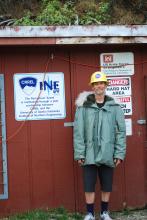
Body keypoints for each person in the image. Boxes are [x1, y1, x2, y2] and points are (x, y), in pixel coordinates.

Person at [73, 71, 126, 220]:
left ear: (106, 85)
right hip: (89, 153)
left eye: (101, 83)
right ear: (92, 86)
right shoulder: (83, 107)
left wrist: (119, 154)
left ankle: (104, 212)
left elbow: (121, 131)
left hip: (108, 153)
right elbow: (78, 132)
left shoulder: (114, 107)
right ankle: (90, 213)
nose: (99, 86)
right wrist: (79, 154)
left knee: (106, 184)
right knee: (89, 184)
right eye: (96, 84)